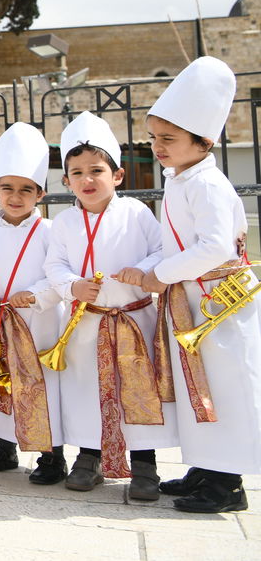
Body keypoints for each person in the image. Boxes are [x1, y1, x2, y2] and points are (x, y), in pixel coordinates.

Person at [137, 57, 259, 513]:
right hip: (196, 299)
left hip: (219, 303)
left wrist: (158, 276)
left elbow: (212, 246)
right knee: (200, 385)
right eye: (154, 137)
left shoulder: (206, 184)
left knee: (225, 386)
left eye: (168, 139)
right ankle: (207, 466)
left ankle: (227, 484)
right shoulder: (182, 180)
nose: (158, 147)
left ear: (203, 142)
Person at [43, 111, 175, 500]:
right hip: (87, 325)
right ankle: (89, 455)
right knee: (86, 390)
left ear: (117, 176)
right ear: (66, 180)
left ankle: (145, 463)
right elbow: (55, 264)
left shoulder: (137, 213)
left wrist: (144, 270)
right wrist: (72, 286)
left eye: (96, 170)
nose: (87, 179)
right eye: (77, 172)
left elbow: (161, 250)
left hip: (135, 320)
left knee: (137, 390)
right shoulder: (64, 222)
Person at [0, 123, 67, 484]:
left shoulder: (52, 231)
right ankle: (4, 446)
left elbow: (61, 272)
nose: (15, 196)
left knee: (40, 385)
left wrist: (38, 293)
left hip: (38, 323)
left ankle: (51, 455)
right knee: (0, 378)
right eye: (7, 188)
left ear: (40, 194)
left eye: (26, 189)